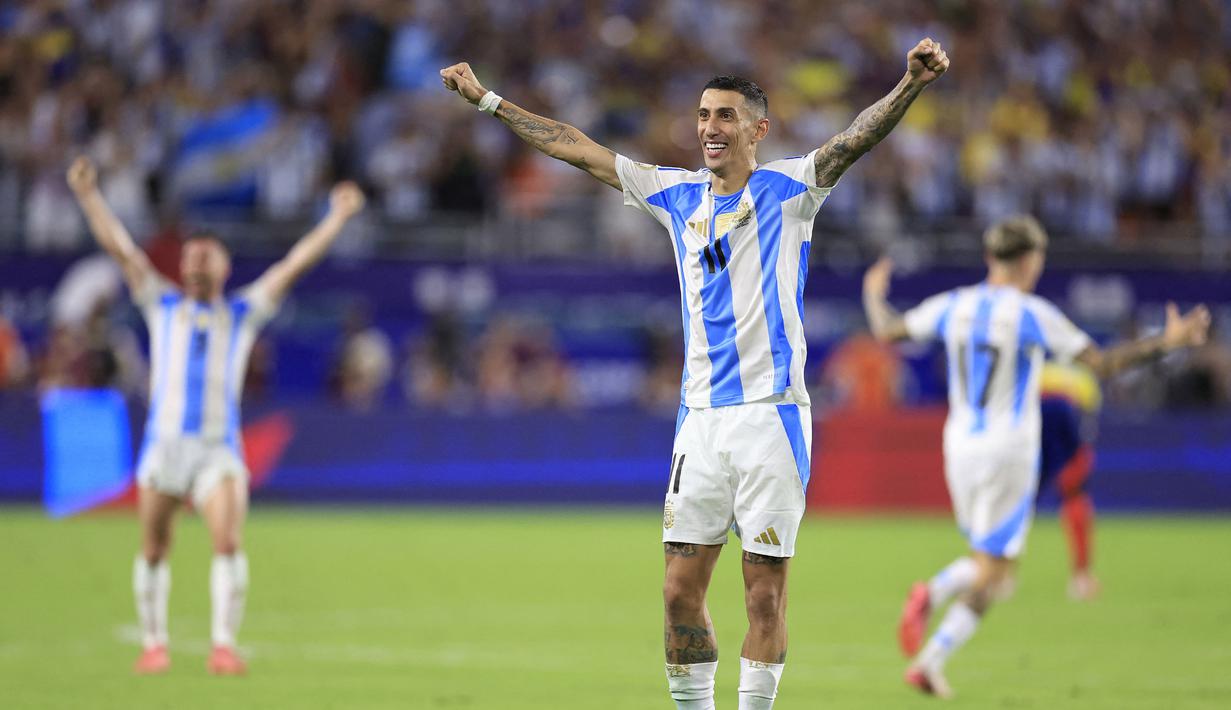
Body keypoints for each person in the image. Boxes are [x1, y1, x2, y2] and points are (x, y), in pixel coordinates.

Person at [441, 36, 950, 710]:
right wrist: (488, 101)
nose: (709, 127)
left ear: (756, 129)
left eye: (725, 116)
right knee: (678, 591)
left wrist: (909, 83)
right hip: (699, 422)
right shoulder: (674, 196)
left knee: (763, 591)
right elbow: (574, 145)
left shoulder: (791, 188)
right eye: (703, 115)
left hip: (771, 416)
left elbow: (853, 139)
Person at [862, 215, 1210, 698]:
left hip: (958, 446)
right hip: (1008, 449)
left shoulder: (952, 305)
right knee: (997, 571)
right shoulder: (1030, 313)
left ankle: (931, 660)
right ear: (1030, 261)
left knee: (991, 564)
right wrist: (1166, 343)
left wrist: (872, 292)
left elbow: (887, 331)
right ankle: (932, 595)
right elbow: (1103, 363)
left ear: (991, 258)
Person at [67, 157, 365, 676]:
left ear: (224, 268)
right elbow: (120, 247)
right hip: (164, 446)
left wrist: (336, 218)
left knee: (227, 541)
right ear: (182, 267)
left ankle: (223, 645)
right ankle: (154, 644)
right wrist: (90, 196)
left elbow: (294, 264)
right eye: (192, 256)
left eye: (207, 255)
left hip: (216, 449)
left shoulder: (244, 311)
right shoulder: (159, 303)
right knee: (155, 548)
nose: (198, 262)